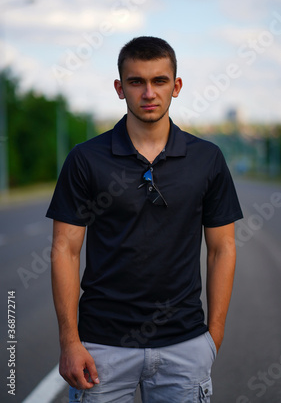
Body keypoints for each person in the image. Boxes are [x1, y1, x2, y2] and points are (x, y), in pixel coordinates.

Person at [47, 36, 243, 403]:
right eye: (136, 82)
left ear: (176, 86)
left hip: (184, 345)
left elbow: (222, 249)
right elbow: (64, 250)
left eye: (159, 81)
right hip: (101, 347)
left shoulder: (208, 159)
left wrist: (211, 340)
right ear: (120, 88)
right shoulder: (86, 159)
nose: (148, 92)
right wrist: (70, 341)